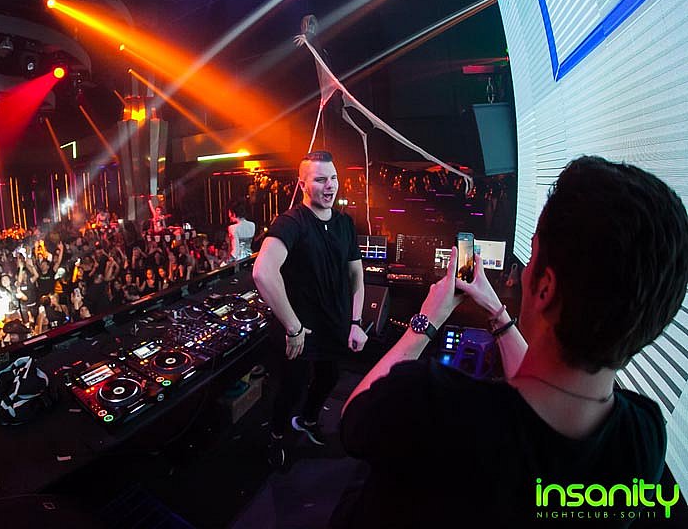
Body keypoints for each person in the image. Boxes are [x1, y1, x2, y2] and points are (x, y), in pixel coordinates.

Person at [332, 156, 688, 527]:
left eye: (532, 255)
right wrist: (497, 312)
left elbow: (353, 420)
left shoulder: (431, 404)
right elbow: (539, 407)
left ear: (546, 288)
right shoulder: (642, 437)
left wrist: (426, 322)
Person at [253, 150, 367, 468]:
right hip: (300, 333)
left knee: (329, 378)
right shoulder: (291, 223)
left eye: (333, 178)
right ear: (302, 184)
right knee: (290, 388)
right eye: (320, 179)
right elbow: (263, 272)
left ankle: (308, 420)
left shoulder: (344, 223)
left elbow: (356, 276)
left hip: (335, 326)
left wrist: (356, 321)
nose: (330, 185)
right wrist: (293, 327)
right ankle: (276, 436)